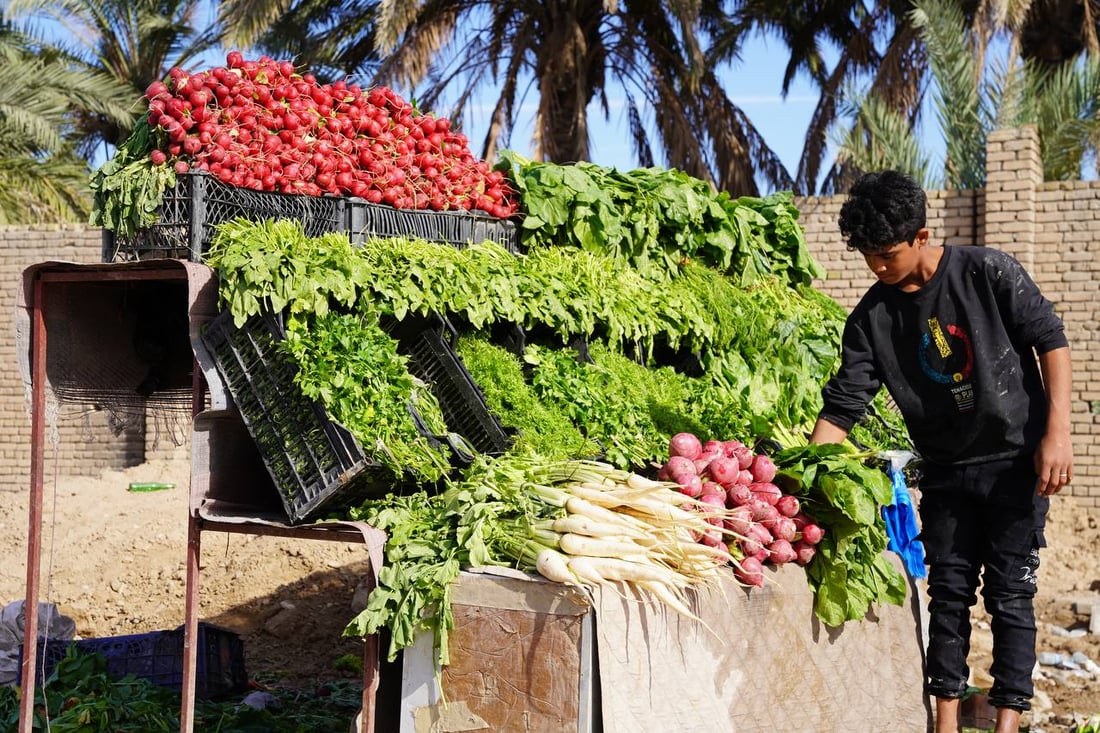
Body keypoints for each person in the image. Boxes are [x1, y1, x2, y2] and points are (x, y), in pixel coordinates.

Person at [808, 170, 1074, 733]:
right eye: (868, 258)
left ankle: (1007, 722)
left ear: (922, 236)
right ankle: (946, 722)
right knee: (948, 597)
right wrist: (809, 475)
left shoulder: (986, 271)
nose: (877, 268)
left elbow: (1050, 339)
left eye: (886, 254)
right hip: (946, 472)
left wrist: (1058, 433)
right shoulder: (871, 318)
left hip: (1014, 463)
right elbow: (843, 404)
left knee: (1010, 594)